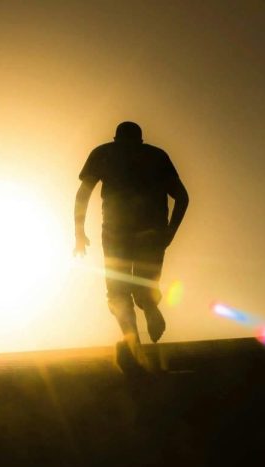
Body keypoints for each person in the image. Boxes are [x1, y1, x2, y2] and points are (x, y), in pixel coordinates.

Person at [73, 121, 189, 370]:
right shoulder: (157, 156)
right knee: (144, 286)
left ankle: (133, 341)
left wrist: (79, 233)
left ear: (116, 138)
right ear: (141, 139)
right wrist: (169, 232)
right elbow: (182, 196)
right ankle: (149, 306)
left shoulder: (104, 153)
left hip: (117, 231)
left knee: (117, 291)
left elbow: (83, 193)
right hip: (153, 231)